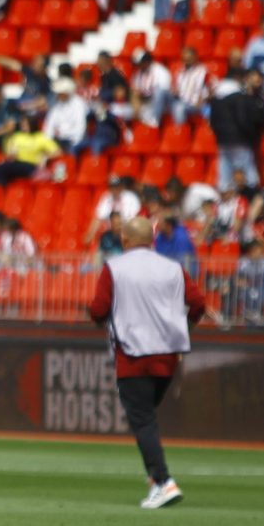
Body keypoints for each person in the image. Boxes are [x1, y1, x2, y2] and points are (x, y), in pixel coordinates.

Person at [87, 217, 208, 509]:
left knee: (142, 419)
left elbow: (99, 309)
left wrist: (96, 316)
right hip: (168, 356)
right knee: (146, 417)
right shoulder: (172, 267)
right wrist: (184, 327)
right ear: (152, 239)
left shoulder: (115, 267)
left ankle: (164, 481)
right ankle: (156, 479)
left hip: (133, 354)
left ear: (125, 240)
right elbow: (199, 303)